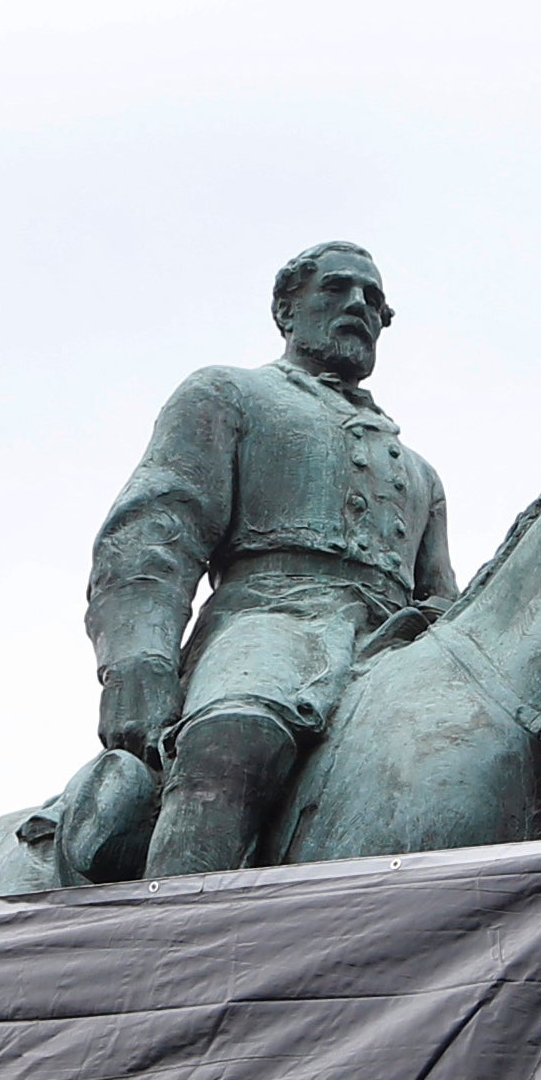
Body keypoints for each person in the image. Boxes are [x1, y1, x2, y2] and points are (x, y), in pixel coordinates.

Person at [85, 242, 455, 877]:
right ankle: (168, 939)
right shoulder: (228, 394)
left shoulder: (420, 472)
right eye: (337, 289)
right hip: (266, 623)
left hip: (396, 647)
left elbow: (442, 598)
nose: (359, 306)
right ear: (287, 310)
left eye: (374, 300)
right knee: (233, 742)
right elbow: (154, 531)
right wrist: (139, 660)